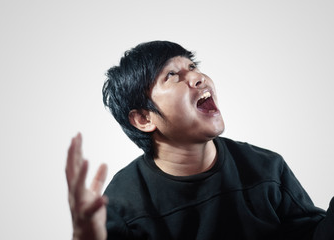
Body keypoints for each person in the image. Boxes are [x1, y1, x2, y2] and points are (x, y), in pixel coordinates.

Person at [65, 41, 334, 240]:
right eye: (172, 75)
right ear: (144, 119)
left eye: (193, 67)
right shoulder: (123, 205)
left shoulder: (266, 168)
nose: (198, 77)